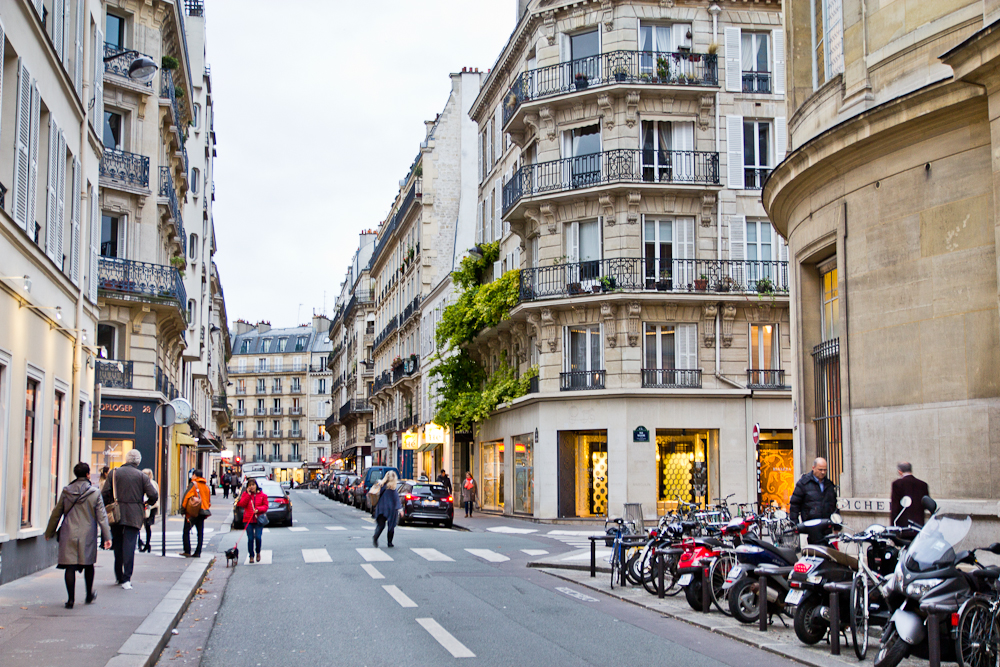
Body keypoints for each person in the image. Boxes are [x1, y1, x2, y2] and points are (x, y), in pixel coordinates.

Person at [45, 462, 112, 609]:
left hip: (68, 532)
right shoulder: (94, 493)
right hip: (87, 533)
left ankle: (70, 600)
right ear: (88, 474)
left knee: (69, 566)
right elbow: (102, 517)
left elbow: (57, 513)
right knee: (88, 564)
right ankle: (88, 594)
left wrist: (49, 532)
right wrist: (107, 537)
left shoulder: (66, 491)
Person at [101, 449, 158, 589]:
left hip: (116, 513)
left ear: (126, 459)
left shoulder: (114, 473)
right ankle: (127, 578)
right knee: (130, 546)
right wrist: (145, 504)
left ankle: (118, 576)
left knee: (118, 546)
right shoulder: (142, 476)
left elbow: (104, 493)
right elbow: (153, 495)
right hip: (134, 514)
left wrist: (109, 506)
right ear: (138, 461)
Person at [789, 457, 838, 544]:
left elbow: (834, 505)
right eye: (820, 469)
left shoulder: (829, 485)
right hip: (812, 525)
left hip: (826, 525)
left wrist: (837, 525)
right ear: (813, 468)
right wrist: (795, 524)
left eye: (825, 470)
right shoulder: (804, 483)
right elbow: (795, 504)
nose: (823, 472)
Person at [237, 478, 269, 563]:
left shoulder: (262, 495)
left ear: (256, 485)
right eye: (250, 485)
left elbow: (265, 506)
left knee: (258, 537)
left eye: (253, 485)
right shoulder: (245, 494)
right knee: (250, 538)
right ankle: (251, 555)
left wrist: (258, 509)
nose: (252, 487)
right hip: (248, 519)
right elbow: (241, 504)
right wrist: (247, 494)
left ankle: (258, 551)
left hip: (258, 520)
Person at [181, 469, 211, 557]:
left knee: (186, 531)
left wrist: (183, 509)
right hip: (203, 512)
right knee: (200, 532)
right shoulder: (206, 486)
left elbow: (186, 497)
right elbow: (208, 500)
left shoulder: (193, 484)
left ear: (195, 475)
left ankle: (187, 550)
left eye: (193, 475)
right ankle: (198, 552)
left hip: (193, 512)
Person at [890, 461, 930, 528]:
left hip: (903, 527)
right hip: (918, 525)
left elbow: (895, 507)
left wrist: (892, 527)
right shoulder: (923, 485)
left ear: (900, 471)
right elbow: (926, 505)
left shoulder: (897, 484)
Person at [373, 471, 400, 548]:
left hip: (381, 508)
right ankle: (389, 542)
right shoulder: (393, 489)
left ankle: (375, 537)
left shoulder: (381, 485)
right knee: (391, 526)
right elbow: (396, 499)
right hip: (391, 509)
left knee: (381, 525)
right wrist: (399, 509)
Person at [137, 469, 159, 553]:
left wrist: (146, 504)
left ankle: (142, 543)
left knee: (140, 525)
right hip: (152, 507)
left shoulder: (146, 484)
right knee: (147, 527)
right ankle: (147, 544)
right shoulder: (154, 483)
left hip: (147, 507)